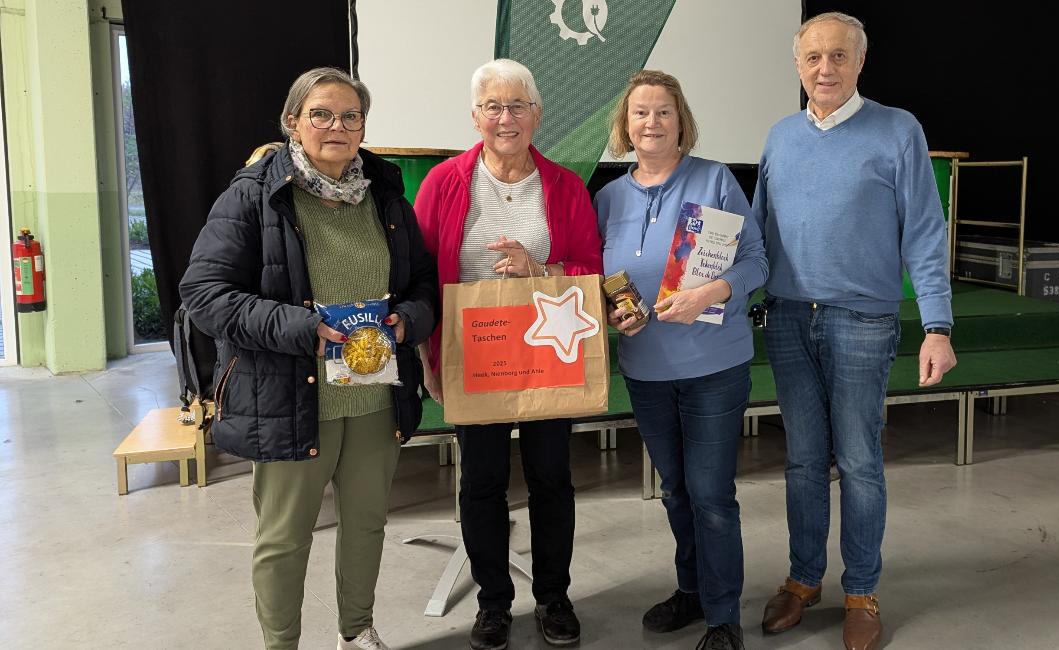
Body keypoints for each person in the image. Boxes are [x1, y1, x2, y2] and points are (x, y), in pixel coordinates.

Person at [179, 67, 437, 650]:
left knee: (368, 524)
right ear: (293, 122)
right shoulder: (253, 194)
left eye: (350, 116)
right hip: (290, 395)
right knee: (285, 536)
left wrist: (407, 321)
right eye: (321, 114)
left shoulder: (388, 196)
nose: (336, 127)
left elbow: (422, 283)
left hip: (375, 394)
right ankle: (281, 643)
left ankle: (357, 631)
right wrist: (301, 328)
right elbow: (202, 293)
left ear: (363, 126)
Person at [752, 13, 958, 650]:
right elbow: (757, 235)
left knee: (862, 462)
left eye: (838, 56)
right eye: (813, 57)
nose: (824, 68)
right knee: (804, 462)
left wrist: (937, 326)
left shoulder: (898, 131)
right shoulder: (781, 137)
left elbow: (924, 231)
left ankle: (862, 589)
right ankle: (804, 578)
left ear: (860, 62)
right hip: (788, 318)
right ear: (797, 65)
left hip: (863, 322)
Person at [412, 58, 602, 650]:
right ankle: (494, 603)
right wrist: (428, 358)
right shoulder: (444, 183)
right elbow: (418, 275)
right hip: (474, 354)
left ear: (537, 114)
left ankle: (554, 597)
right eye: (492, 106)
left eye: (517, 105)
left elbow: (591, 271)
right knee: (482, 480)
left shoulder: (566, 186)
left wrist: (538, 267)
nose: (505, 117)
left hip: (551, 350)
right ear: (475, 116)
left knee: (552, 477)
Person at [595, 70, 768, 650]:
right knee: (674, 489)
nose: (651, 122)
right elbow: (601, 284)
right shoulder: (608, 198)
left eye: (663, 111)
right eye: (640, 113)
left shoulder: (715, 180)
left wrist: (707, 294)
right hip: (645, 370)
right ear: (625, 125)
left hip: (714, 367)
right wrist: (615, 315)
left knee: (711, 493)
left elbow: (756, 263)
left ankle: (724, 620)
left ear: (680, 120)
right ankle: (692, 591)